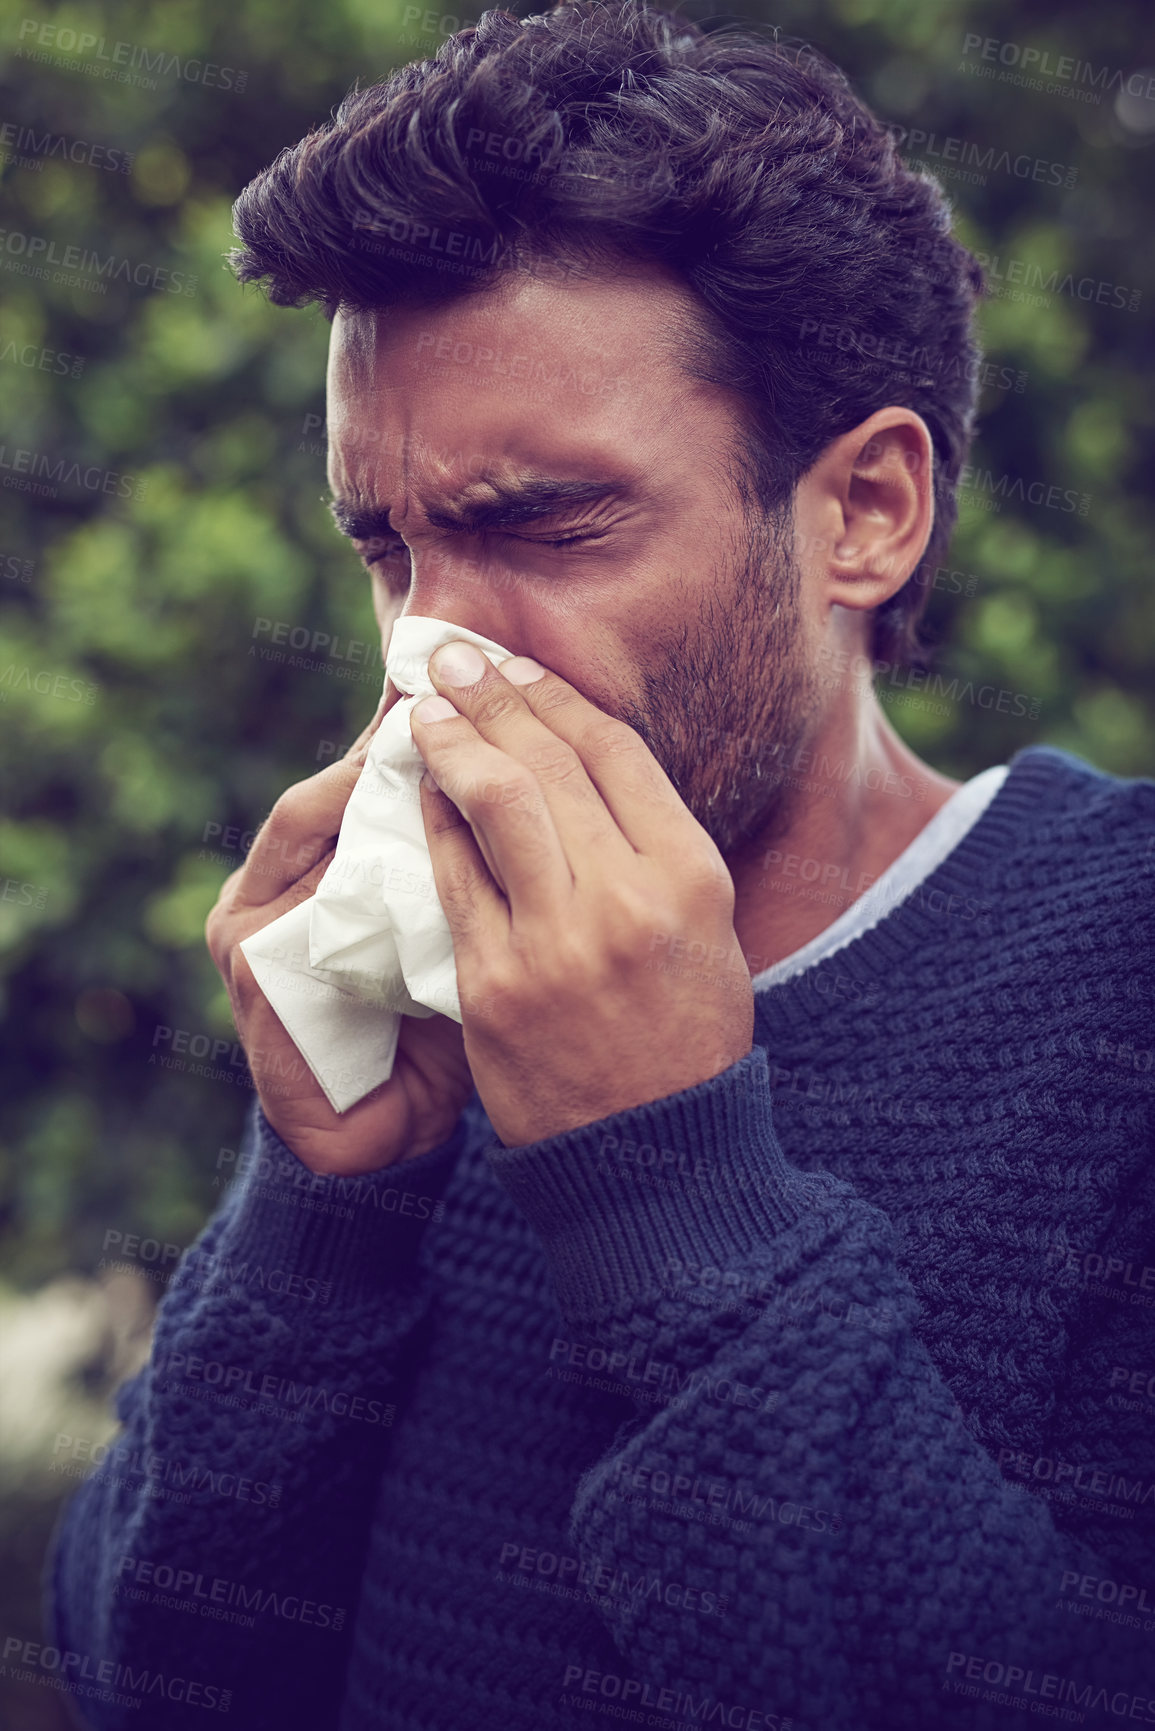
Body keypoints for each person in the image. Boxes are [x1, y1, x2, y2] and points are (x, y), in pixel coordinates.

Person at [47, 2, 1154, 1727]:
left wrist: (665, 1175)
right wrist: (322, 1201)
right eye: (387, 548)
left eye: (546, 524)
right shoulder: (423, 986)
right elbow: (153, 1676)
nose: (430, 655)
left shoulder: (1119, 977)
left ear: (866, 510)